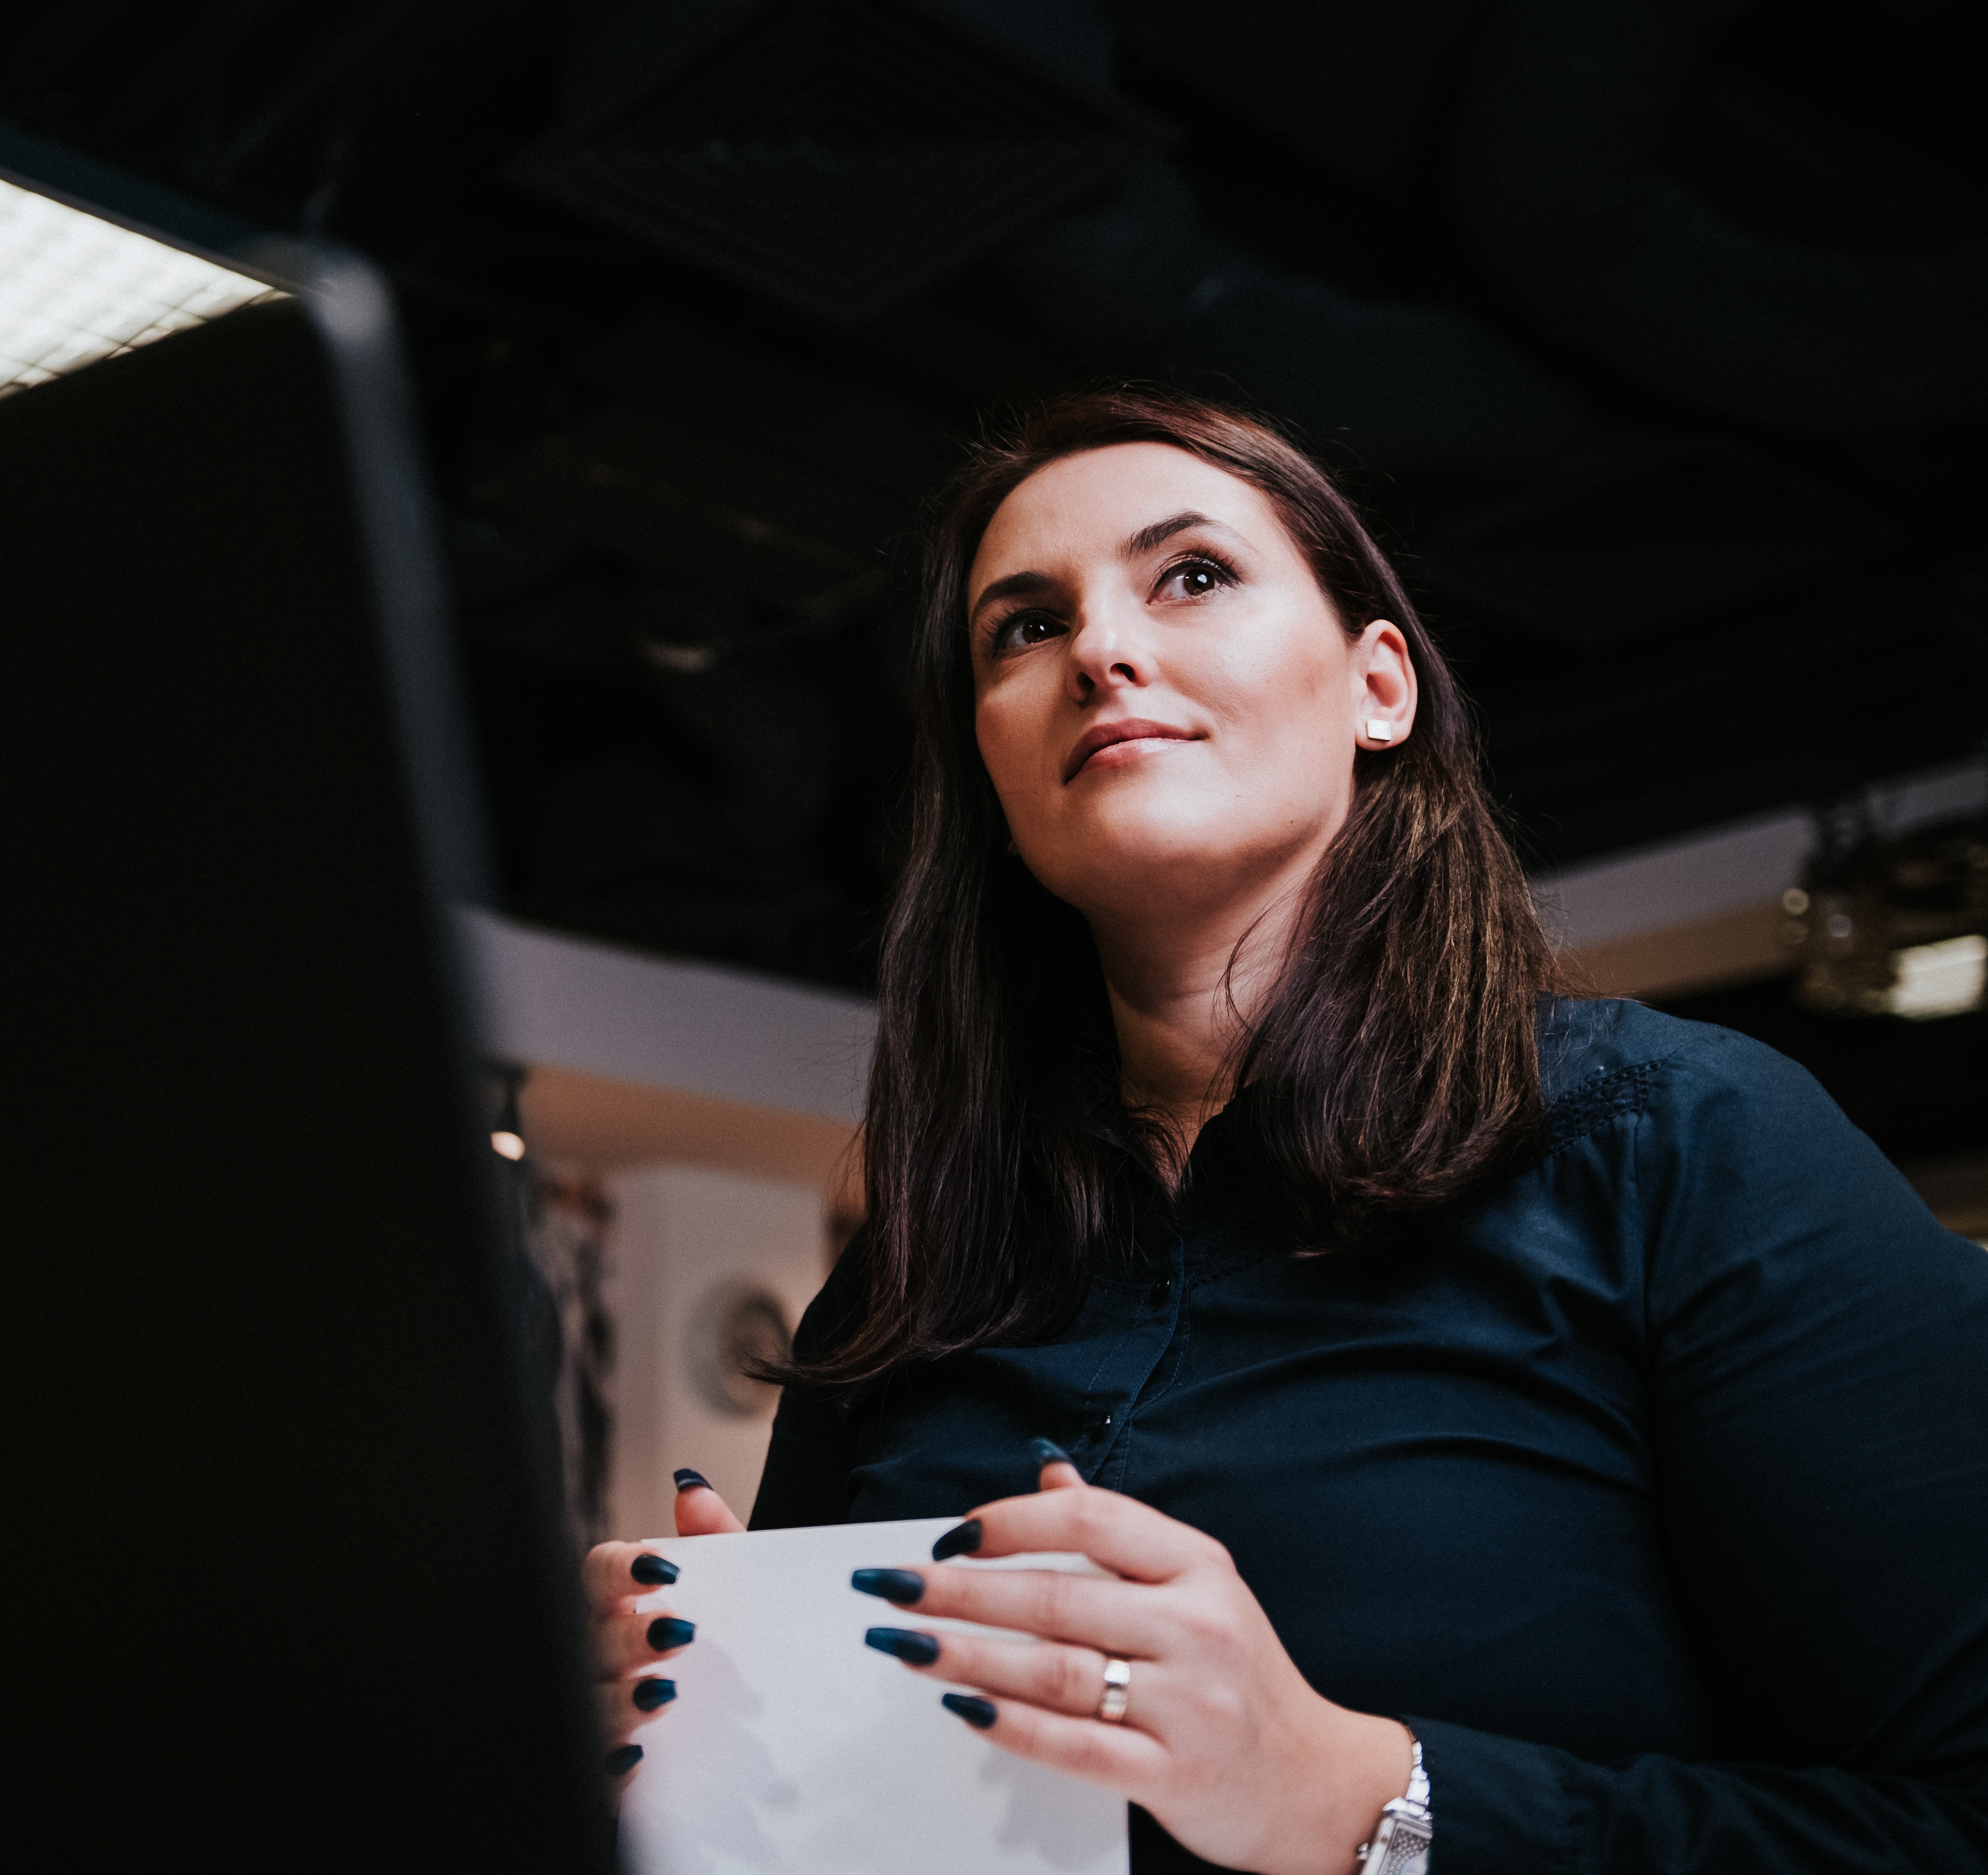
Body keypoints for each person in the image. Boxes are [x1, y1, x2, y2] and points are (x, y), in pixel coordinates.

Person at [584, 388, 1988, 1873]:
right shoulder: (908, 1281)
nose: (1104, 651)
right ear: (992, 780)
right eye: (1025, 627)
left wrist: (1350, 1792)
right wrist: (707, 1770)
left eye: (1191, 576)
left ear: (1380, 688)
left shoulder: (1685, 1145)